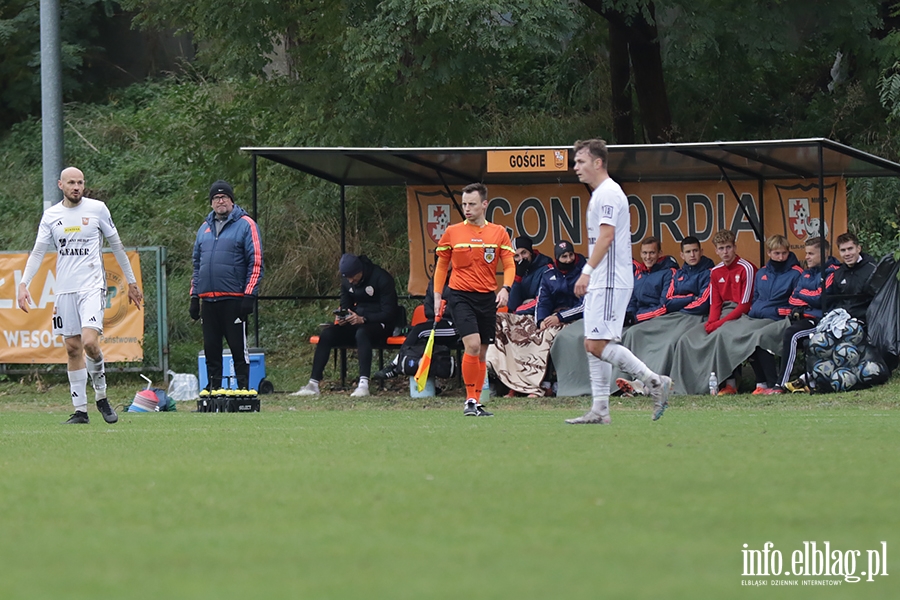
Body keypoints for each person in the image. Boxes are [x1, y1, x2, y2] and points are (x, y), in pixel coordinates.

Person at [17, 167, 143, 424]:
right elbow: (38, 252)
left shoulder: (97, 209)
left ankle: (102, 397)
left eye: (80, 182)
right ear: (60, 185)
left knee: (89, 342)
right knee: (72, 348)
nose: (77, 187)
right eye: (71, 183)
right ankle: (80, 411)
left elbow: (117, 246)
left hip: (92, 286)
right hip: (64, 289)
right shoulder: (51, 216)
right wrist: (23, 284)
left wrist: (131, 282)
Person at [566, 139, 672, 425]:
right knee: (592, 343)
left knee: (597, 345)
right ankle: (600, 409)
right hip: (602, 279)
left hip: (610, 279)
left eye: (581, 161)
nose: (576, 167)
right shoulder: (599, 194)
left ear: (598, 163)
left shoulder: (609, 193)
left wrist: (587, 270)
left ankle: (654, 381)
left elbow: (607, 236)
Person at [433, 182, 515, 416]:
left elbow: (509, 264)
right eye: (464, 204)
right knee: (473, 345)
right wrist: (438, 295)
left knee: (482, 352)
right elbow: (442, 265)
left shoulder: (498, 232)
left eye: (472, 204)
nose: (467, 208)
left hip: (486, 298)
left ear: (484, 205)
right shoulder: (453, 232)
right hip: (460, 295)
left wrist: (506, 288)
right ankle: (469, 400)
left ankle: (476, 402)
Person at [191, 180, 264, 392]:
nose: (220, 201)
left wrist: (249, 294)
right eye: (216, 198)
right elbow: (197, 264)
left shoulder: (246, 224)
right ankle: (213, 388)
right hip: (209, 299)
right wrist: (195, 296)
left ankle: (243, 388)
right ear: (211, 203)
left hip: (234, 299)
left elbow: (256, 261)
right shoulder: (203, 228)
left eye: (224, 197)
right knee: (211, 348)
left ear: (231, 200)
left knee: (238, 349)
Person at [294, 253, 400, 397]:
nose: (350, 280)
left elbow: (390, 313)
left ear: (360, 270)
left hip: (380, 324)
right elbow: (345, 305)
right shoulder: (346, 282)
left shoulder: (381, 278)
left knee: (362, 333)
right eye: (347, 277)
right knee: (327, 334)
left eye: (353, 276)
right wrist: (343, 317)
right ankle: (313, 384)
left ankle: (363, 385)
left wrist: (364, 319)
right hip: (356, 322)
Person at [763, 237, 839, 393]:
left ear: (824, 253)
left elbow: (820, 298)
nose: (806, 257)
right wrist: (807, 297)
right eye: (806, 253)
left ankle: (780, 385)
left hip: (821, 321)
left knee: (792, 334)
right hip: (804, 316)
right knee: (766, 332)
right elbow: (793, 298)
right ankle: (764, 382)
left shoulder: (833, 271)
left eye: (811, 254)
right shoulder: (806, 273)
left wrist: (803, 295)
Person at [744, 235, 803, 393]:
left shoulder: (796, 273)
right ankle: (760, 383)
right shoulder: (762, 272)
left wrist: (776, 311)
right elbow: (756, 297)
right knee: (740, 334)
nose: (781, 257)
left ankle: (771, 383)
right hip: (757, 317)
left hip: (781, 319)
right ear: (769, 253)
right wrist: (756, 310)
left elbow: (796, 304)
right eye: (776, 253)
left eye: (784, 253)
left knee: (761, 337)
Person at [826, 232, 877, 321]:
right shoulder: (838, 273)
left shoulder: (873, 270)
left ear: (858, 248)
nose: (847, 253)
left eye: (850, 249)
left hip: (868, 320)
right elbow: (837, 300)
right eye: (843, 250)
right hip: (842, 320)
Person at [626, 236, 678, 324]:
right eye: (645, 253)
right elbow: (632, 301)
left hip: (658, 320)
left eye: (652, 253)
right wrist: (629, 316)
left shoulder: (669, 273)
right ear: (641, 254)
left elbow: (664, 306)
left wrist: (636, 318)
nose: (648, 257)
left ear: (660, 253)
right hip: (638, 319)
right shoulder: (639, 273)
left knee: (632, 333)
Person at [536, 241, 585, 329]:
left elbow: (584, 306)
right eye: (564, 256)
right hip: (554, 316)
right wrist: (541, 321)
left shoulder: (584, 274)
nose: (569, 259)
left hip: (578, 318)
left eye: (571, 254)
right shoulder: (548, 275)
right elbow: (543, 302)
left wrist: (560, 317)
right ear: (557, 258)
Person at [507, 235, 552, 315]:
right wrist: (518, 277)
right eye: (516, 256)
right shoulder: (515, 271)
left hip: (544, 314)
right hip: (522, 314)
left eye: (524, 253)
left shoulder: (546, 268)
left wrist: (519, 309)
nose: (521, 258)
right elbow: (512, 305)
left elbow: (542, 301)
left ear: (530, 252)